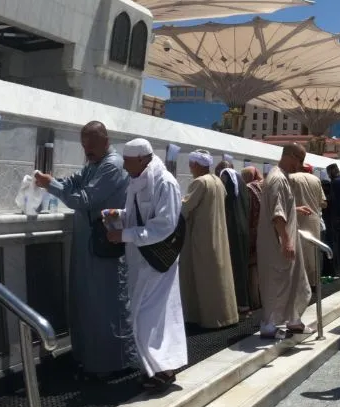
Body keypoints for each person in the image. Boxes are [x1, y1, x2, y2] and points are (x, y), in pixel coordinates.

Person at [33, 121, 134, 378]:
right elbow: (74, 182)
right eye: (84, 145)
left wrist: (50, 185)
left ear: (106, 141)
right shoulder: (94, 163)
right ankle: (90, 360)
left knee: (106, 304)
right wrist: (54, 181)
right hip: (89, 244)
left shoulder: (112, 165)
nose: (87, 150)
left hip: (104, 246)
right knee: (88, 302)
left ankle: (113, 364)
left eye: (91, 144)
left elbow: (83, 199)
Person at [105, 139, 187, 392]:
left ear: (142, 159)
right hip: (140, 260)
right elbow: (137, 215)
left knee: (148, 315)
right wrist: (119, 215)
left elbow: (165, 224)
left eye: (128, 161)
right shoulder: (137, 180)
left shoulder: (165, 182)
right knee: (150, 315)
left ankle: (163, 368)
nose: (125, 166)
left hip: (158, 260)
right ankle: (158, 368)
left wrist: (125, 235)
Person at [256, 145, 311, 339]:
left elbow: (281, 206)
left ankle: (294, 321)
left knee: (295, 281)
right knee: (276, 284)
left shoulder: (281, 175)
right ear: (290, 156)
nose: (301, 166)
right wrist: (286, 241)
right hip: (277, 243)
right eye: (300, 160)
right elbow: (277, 215)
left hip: (284, 239)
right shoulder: (278, 178)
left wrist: (295, 209)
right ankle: (268, 325)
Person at [180, 150, 238, 328]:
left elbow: (185, 208)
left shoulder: (200, 182)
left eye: (191, 164)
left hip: (201, 237)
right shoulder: (217, 181)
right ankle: (227, 316)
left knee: (201, 277)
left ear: (196, 165)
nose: (190, 168)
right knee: (218, 277)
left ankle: (207, 318)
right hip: (218, 235)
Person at [216, 160, 251, 315]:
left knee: (235, 268)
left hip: (232, 230)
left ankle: (238, 305)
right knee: (243, 267)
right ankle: (245, 303)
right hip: (244, 229)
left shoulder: (227, 179)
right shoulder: (243, 183)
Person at [288, 165, 326, 288]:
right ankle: (314, 282)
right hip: (313, 220)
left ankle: (300, 283)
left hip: (297, 218)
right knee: (313, 252)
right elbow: (324, 203)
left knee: (298, 252)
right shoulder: (316, 180)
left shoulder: (291, 177)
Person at [240, 166, 264, 310]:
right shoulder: (264, 186)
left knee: (252, 266)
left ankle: (254, 300)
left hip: (252, 231)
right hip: (265, 231)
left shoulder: (248, 188)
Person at [324, 164, 340, 275]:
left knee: (337, 244)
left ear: (333, 171)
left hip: (337, 216)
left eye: (329, 172)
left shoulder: (336, 182)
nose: (329, 175)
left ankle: (338, 269)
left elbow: (332, 200)